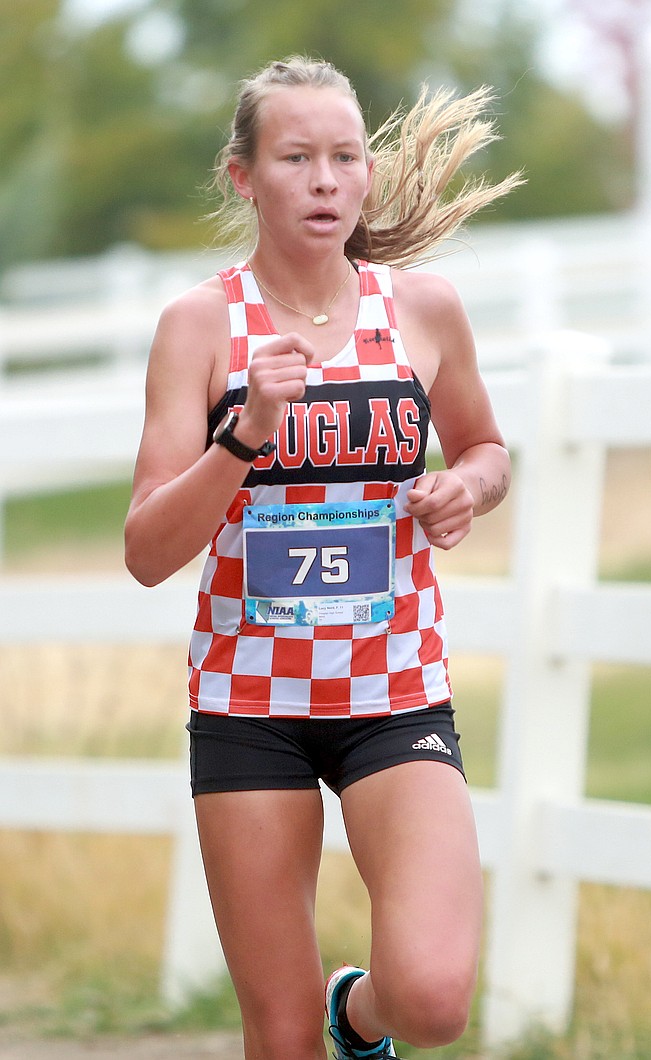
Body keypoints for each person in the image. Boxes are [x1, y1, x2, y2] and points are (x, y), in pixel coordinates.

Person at [125, 56, 520, 1060]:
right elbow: (145, 548)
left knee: (430, 998)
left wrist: (459, 489)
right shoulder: (200, 327)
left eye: (345, 157)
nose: (325, 180)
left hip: (393, 693)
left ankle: (362, 1016)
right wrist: (244, 433)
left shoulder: (422, 310)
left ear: (366, 176)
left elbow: (485, 449)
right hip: (250, 708)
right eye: (295, 157)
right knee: (281, 1033)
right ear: (243, 177)